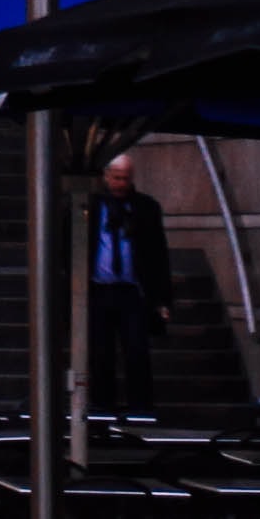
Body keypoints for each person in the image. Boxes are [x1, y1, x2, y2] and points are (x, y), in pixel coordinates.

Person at [84, 154, 174, 422]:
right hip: (99, 289)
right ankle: (102, 406)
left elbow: (158, 253)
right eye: (117, 178)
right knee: (100, 351)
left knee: (136, 350)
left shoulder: (145, 207)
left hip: (131, 289)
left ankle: (140, 407)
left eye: (126, 179)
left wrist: (162, 299)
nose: (121, 184)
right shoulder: (90, 205)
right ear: (106, 177)